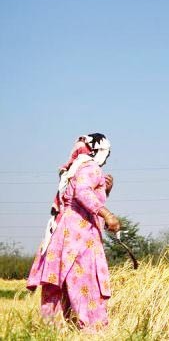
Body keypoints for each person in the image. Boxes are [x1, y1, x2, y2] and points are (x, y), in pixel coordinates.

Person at [27, 133, 121, 332]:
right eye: (107, 154)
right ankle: (91, 331)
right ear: (98, 151)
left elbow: (77, 194)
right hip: (80, 235)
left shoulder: (74, 169)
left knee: (58, 282)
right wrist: (108, 215)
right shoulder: (91, 168)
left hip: (62, 233)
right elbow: (82, 193)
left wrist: (106, 191)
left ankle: (52, 331)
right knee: (87, 281)